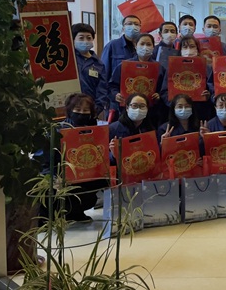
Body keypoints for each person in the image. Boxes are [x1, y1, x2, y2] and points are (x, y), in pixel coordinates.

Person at [45, 93, 108, 222]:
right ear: (70, 110)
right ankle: (63, 213)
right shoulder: (58, 130)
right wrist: (53, 176)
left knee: (94, 189)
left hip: (86, 174)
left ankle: (77, 212)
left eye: (86, 110)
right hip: (62, 176)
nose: (81, 113)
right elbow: (46, 160)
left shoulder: (94, 131)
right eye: (77, 109)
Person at [107, 33, 167, 125]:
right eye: (142, 44)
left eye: (148, 44)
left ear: (153, 47)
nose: (145, 47)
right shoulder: (124, 66)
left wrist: (159, 96)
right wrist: (115, 95)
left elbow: (165, 90)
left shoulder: (159, 68)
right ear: (135, 46)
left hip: (151, 113)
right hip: (127, 111)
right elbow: (111, 86)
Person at [161, 36, 213, 120]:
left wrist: (208, 96)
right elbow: (164, 92)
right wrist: (175, 104)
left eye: (192, 46)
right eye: (185, 47)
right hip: (178, 112)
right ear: (180, 50)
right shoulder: (172, 68)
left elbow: (213, 90)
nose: (188, 50)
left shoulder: (206, 67)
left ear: (197, 49)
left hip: (200, 111)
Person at [72, 23, 107, 116]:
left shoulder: (99, 64)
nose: (85, 41)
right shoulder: (68, 60)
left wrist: (95, 110)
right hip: (69, 109)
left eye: (88, 38)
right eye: (81, 38)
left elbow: (102, 90)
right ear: (73, 39)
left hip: (89, 110)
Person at [100, 15, 140, 85]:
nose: (133, 26)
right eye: (129, 24)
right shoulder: (112, 45)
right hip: (116, 88)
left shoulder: (143, 46)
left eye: (136, 24)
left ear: (140, 28)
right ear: (123, 28)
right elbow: (104, 72)